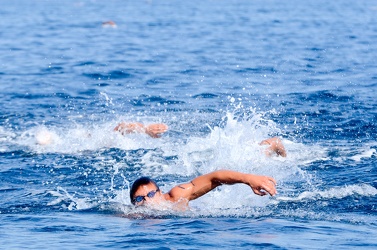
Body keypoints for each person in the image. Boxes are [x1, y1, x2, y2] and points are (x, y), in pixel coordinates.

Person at [129, 170, 277, 209]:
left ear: (160, 193)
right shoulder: (134, 216)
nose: (147, 201)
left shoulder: (177, 196)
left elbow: (214, 178)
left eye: (150, 194)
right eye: (140, 199)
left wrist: (248, 179)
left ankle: (268, 146)